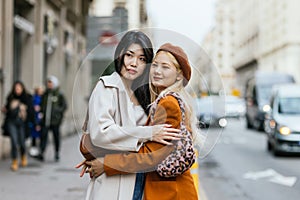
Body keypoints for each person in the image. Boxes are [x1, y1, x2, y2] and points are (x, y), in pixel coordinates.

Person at [80, 43, 200, 200]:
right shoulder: (155, 98)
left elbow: (150, 156)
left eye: (165, 67)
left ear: (179, 75)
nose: (157, 71)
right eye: (155, 65)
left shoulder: (168, 103)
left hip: (170, 191)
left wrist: (106, 164)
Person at [2, 81, 34, 171]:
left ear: (22, 88)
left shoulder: (27, 98)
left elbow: (31, 111)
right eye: (16, 88)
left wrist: (34, 123)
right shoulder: (11, 97)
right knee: (14, 141)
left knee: (22, 143)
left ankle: (23, 156)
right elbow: (7, 109)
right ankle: (14, 161)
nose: (17, 90)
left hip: (22, 123)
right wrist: (5, 109)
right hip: (12, 122)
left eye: (19, 88)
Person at [37, 75, 67, 162]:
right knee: (43, 136)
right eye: (48, 83)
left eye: (51, 83)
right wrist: (41, 111)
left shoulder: (59, 94)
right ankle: (42, 152)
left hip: (55, 121)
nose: (49, 85)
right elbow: (42, 105)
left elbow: (64, 106)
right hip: (45, 120)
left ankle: (57, 153)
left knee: (56, 137)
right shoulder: (45, 94)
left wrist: (58, 112)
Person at [29, 86, 44, 157]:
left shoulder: (42, 98)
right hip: (35, 118)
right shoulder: (34, 98)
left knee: (40, 136)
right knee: (34, 136)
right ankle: (33, 149)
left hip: (40, 118)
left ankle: (38, 149)